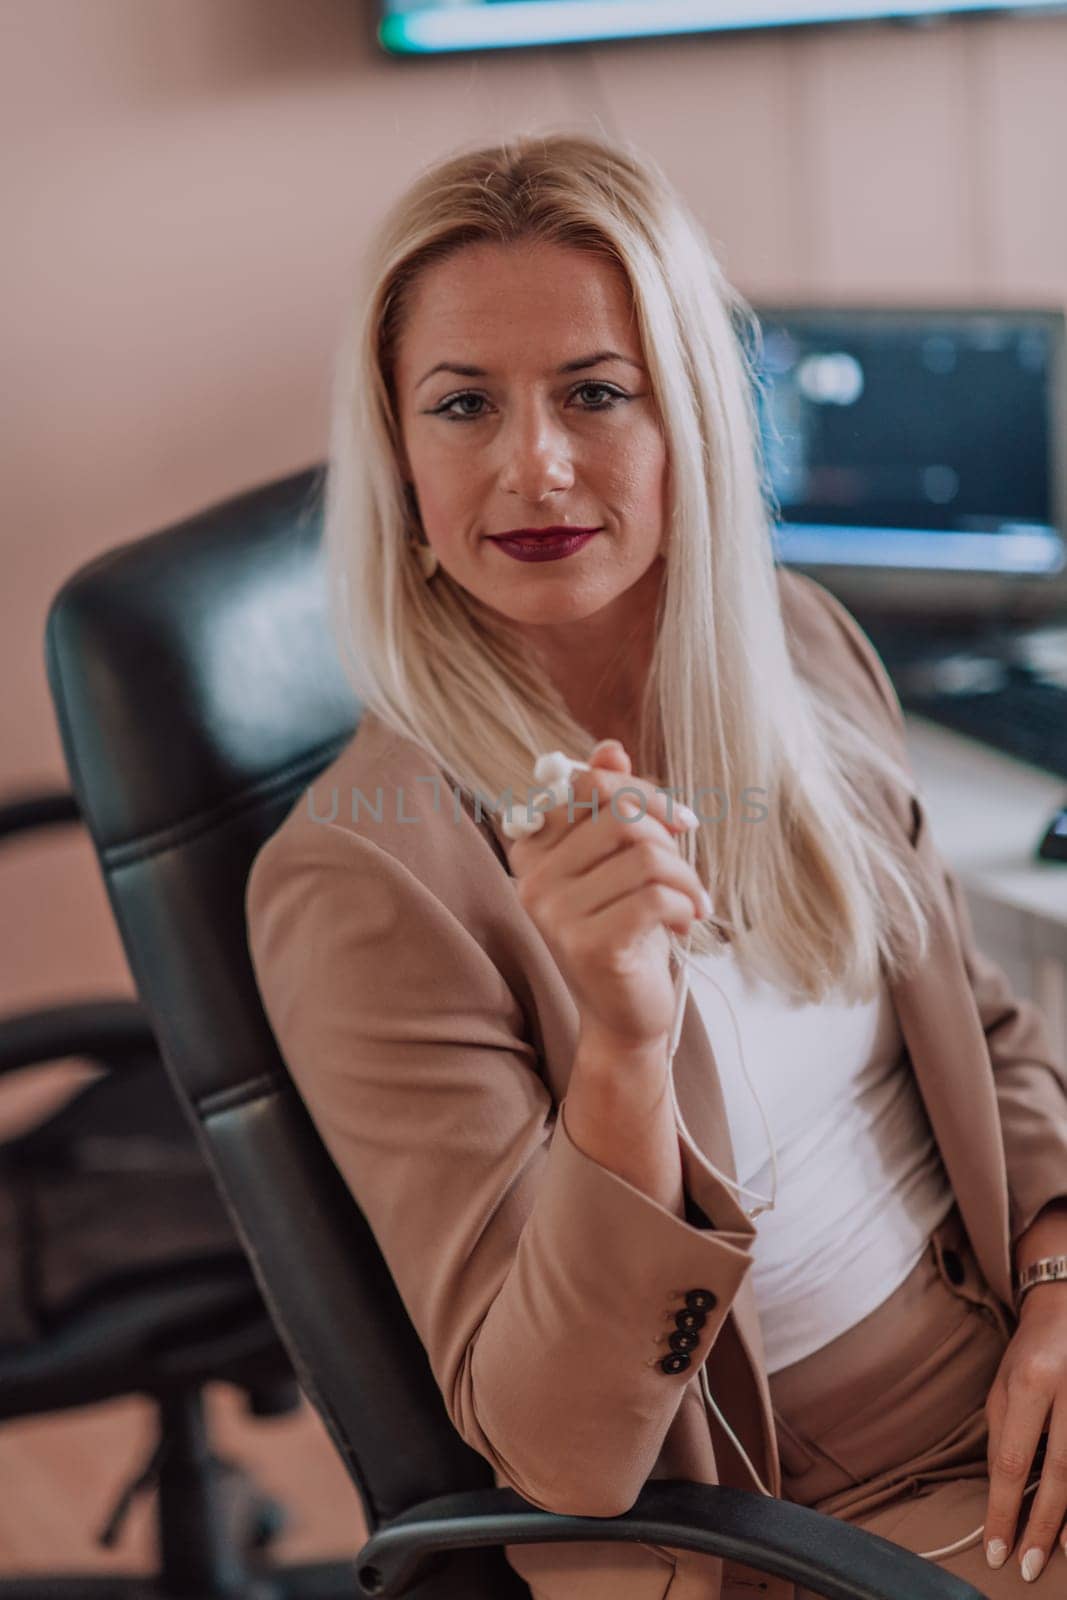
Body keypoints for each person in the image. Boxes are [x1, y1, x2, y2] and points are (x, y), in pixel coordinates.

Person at [244, 130, 1067, 1599]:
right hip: (801, 1509)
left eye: (596, 392)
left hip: (1017, 1349)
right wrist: (624, 1044)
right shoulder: (364, 884)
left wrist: (1064, 1272)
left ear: (688, 415)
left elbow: (991, 1035)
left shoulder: (802, 650)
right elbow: (564, 1451)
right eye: (463, 406)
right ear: (399, 456)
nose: (534, 464)